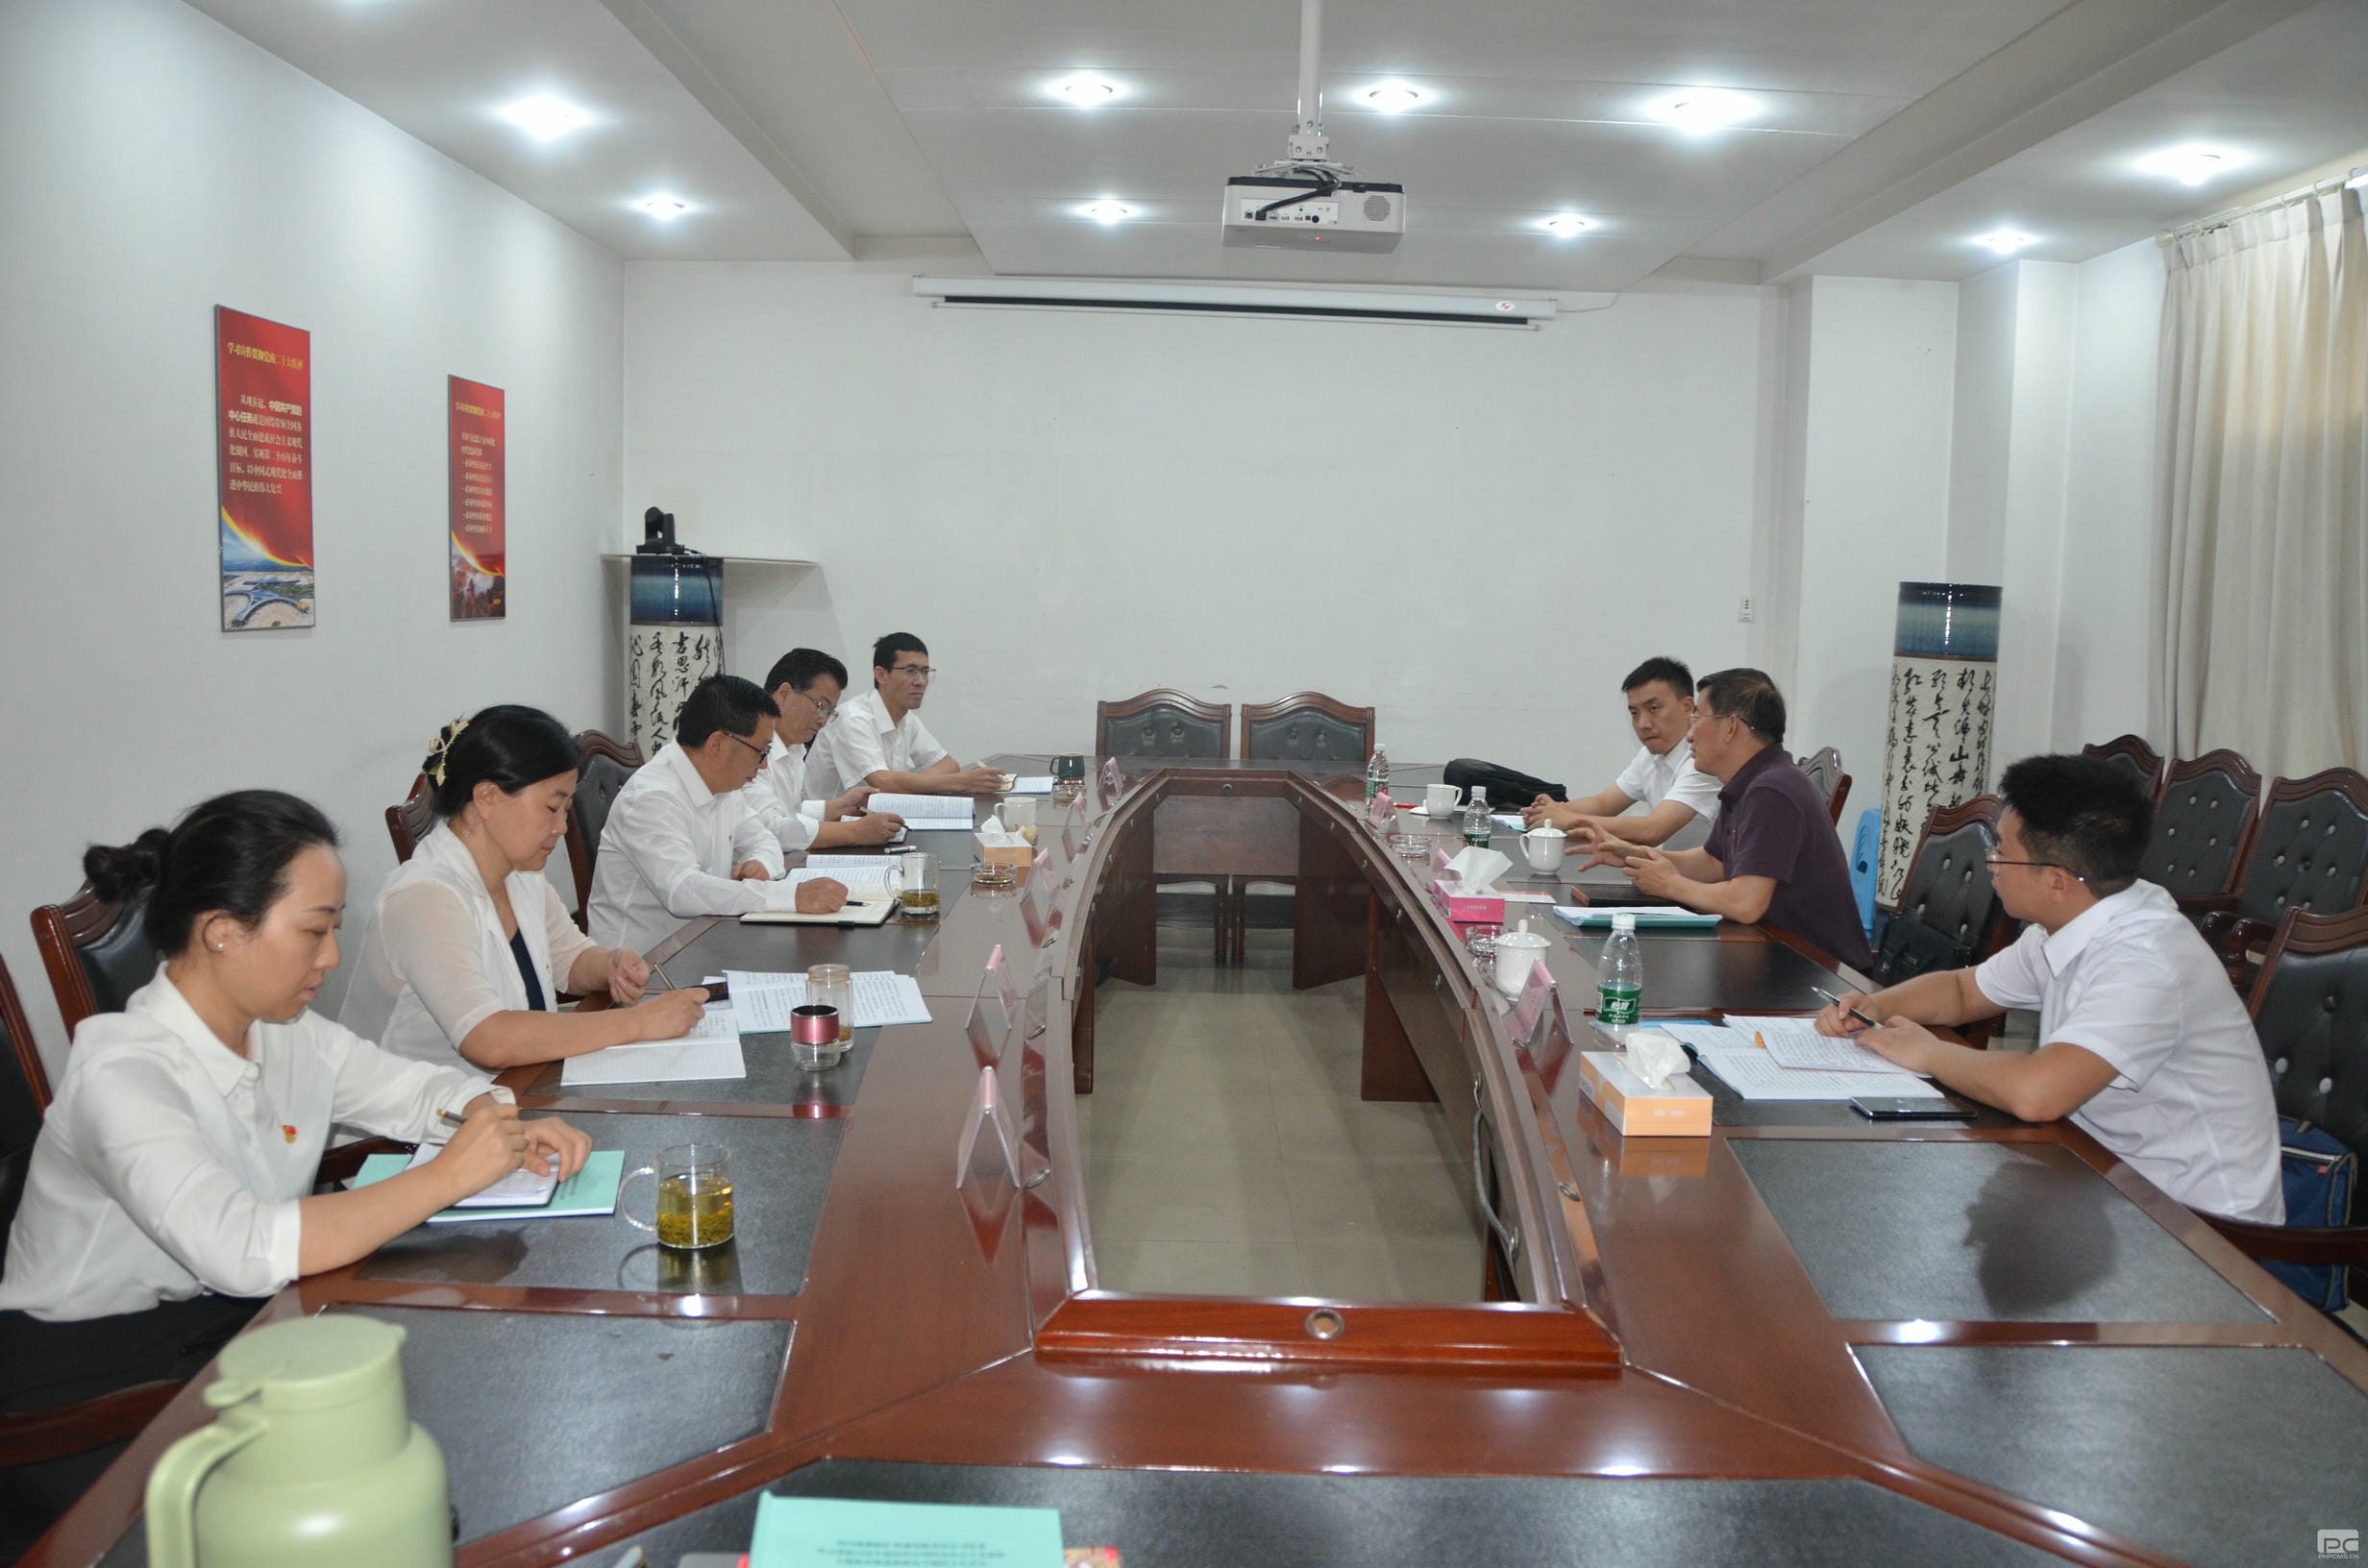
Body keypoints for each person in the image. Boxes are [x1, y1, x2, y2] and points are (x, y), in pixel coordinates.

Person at [0, 790, 590, 1378]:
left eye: (335, 929)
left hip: (236, 1308)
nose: (331, 957)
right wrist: (447, 1177)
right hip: (97, 1360)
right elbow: (243, 1247)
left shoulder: (283, 1031)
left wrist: (494, 1118)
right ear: (221, 931)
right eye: (314, 931)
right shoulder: (121, 1076)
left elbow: (413, 1091)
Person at [1814, 754, 2282, 1222]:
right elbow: (1963, 991)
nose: (1992, 863)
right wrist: (1874, 1006)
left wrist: (1928, 1053)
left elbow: (2036, 1093)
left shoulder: (2148, 960)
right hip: (2103, 1171)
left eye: (2002, 852)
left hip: (2199, 1220)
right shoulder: (2069, 920)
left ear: (2057, 881)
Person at [342, 706, 712, 1074]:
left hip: (513, 1087)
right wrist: (639, 1023)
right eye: (552, 808)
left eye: (566, 809)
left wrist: (608, 965)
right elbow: (489, 1039)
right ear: (486, 798)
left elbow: (568, 958)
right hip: (413, 1109)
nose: (562, 827)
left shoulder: (518, 872)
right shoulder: (424, 897)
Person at [1575, 668, 1873, 970]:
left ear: (1730, 726)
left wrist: (1670, 884)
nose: (1689, 734)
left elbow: (1745, 904)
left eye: (1697, 719)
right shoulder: (1749, 781)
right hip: (1774, 953)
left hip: (1820, 972)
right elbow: (1713, 863)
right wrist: (1635, 855)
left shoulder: (1773, 789)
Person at [586, 674, 846, 954]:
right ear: (718, 744)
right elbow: (682, 890)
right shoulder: (652, 798)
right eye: (761, 751)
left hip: (704, 944)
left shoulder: (723, 785)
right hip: (644, 965)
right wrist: (789, 896)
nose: (762, 765)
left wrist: (760, 864)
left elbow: (764, 839)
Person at [1522, 656, 1721, 847]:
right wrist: (1552, 810)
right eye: (1634, 713)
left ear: (1687, 707)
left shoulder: (1703, 762)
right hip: (1673, 866)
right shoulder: (1649, 757)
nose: (1643, 724)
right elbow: (1603, 804)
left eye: (1653, 708)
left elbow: (1654, 829)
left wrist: (1569, 818)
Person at [808, 632, 1005, 800]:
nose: (920, 681)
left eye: (925, 671)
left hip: (877, 818)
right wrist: (961, 782)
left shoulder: (906, 718)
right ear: (881, 675)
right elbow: (882, 783)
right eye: (910, 671)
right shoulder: (854, 719)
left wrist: (908, 785)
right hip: (832, 825)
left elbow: (948, 764)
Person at [745, 649, 903, 852]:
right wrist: (855, 832)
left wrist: (839, 807)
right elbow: (770, 828)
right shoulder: (751, 749)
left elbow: (788, 812)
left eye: (830, 712)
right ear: (784, 694)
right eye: (821, 706)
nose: (823, 720)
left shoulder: (795, 748)